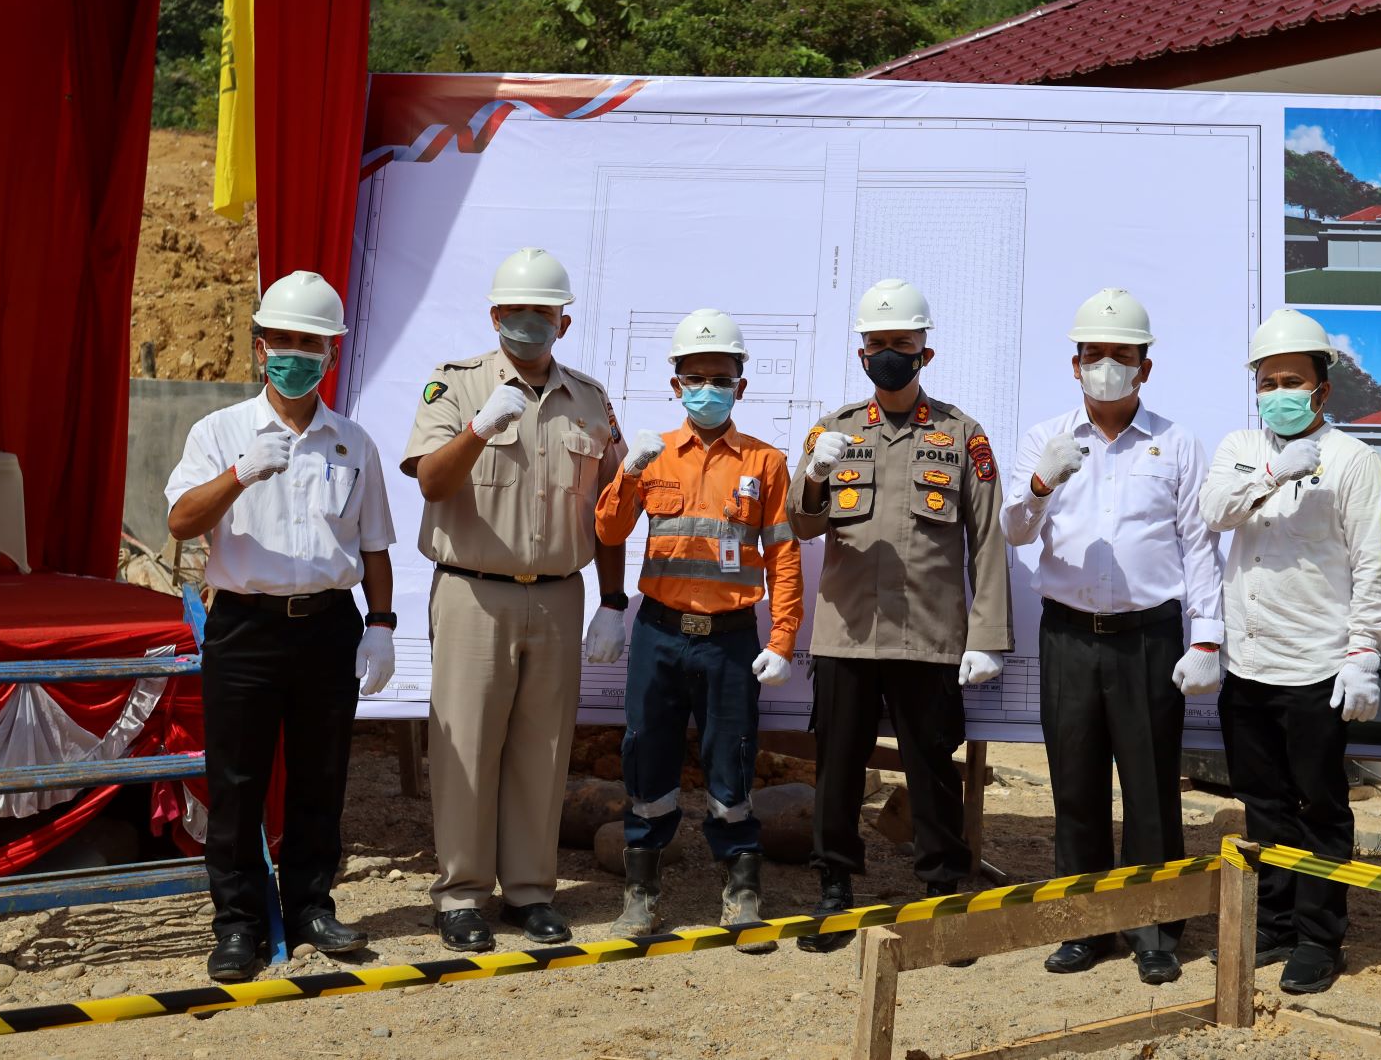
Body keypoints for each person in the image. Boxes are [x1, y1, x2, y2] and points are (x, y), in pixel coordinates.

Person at [165, 270, 397, 982]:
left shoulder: (352, 442)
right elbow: (179, 522)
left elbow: (374, 545)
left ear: (332, 354)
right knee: (236, 780)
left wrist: (382, 623)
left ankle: (310, 907)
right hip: (245, 627)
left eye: (312, 343)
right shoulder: (221, 431)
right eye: (284, 341)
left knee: (321, 777)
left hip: (327, 624)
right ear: (261, 346)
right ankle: (237, 922)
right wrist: (239, 473)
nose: (296, 354)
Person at [401, 247, 626, 952]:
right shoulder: (456, 387)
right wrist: (476, 431)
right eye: (517, 311)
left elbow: (610, 510)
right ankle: (462, 894)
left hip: (558, 594)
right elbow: (432, 484)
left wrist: (613, 600)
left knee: (543, 749)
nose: (531, 322)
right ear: (495, 314)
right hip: (474, 592)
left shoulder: (589, 399)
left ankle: (530, 891)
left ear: (563, 319)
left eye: (543, 311)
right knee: (465, 745)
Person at [1001, 287, 1223, 986]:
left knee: (1152, 784)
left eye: (1119, 356)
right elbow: (1013, 530)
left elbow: (1196, 545)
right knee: (1073, 781)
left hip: (1148, 636)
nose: (1105, 367)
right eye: (1092, 355)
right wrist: (1040, 484)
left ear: (1143, 368)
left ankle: (1152, 925)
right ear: (1074, 364)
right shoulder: (1045, 437)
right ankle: (1082, 925)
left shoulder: (1174, 442)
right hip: (1067, 633)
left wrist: (1207, 637)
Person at [789, 278, 1012, 953]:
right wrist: (815, 475)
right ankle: (833, 892)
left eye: (902, 344)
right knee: (836, 769)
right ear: (862, 354)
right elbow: (800, 526)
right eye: (878, 344)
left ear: (925, 352)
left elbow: (989, 537)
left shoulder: (960, 434)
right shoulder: (832, 430)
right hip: (846, 632)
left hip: (928, 636)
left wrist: (987, 637)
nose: (890, 354)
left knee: (932, 771)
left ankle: (943, 895)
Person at [594, 309, 803, 950]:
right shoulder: (652, 455)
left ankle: (740, 894)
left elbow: (784, 554)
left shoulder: (766, 463)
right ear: (675, 382)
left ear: (741, 384)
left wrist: (783, 639)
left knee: (731, 761)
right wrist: (628, 472)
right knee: (646, 754)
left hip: (730, 638)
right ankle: (641, 895)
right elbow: (607, 532)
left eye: (720, 376)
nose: (706, 387)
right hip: (658, 633)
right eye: (694, 376)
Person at [1198, 308, 1381, 995]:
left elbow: (1371, 565)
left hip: (1315, 666)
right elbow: (1214, 512)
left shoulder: (1353, 460)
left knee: (1319, 806)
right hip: (1247, 666)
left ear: (1321, 390)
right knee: (1262, 804)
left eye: (1292, 380)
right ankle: (1274, 921)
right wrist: (1275, 471)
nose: (1279, 391)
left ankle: (1319, 936)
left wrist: (1363, 651)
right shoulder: (1239, 447)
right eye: (1267, 379)